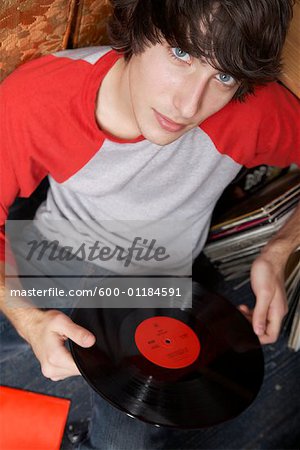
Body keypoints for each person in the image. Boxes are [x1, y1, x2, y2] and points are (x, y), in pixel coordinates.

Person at [1, 0, 300, 448]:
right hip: (50, 250)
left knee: (129, 437)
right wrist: (26, 318)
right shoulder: (40, 95)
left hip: (156, 283)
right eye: (182, 52)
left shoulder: (249, 111)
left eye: (222, 76)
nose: (188, 104)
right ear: (140, 25)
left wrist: (278, 253)